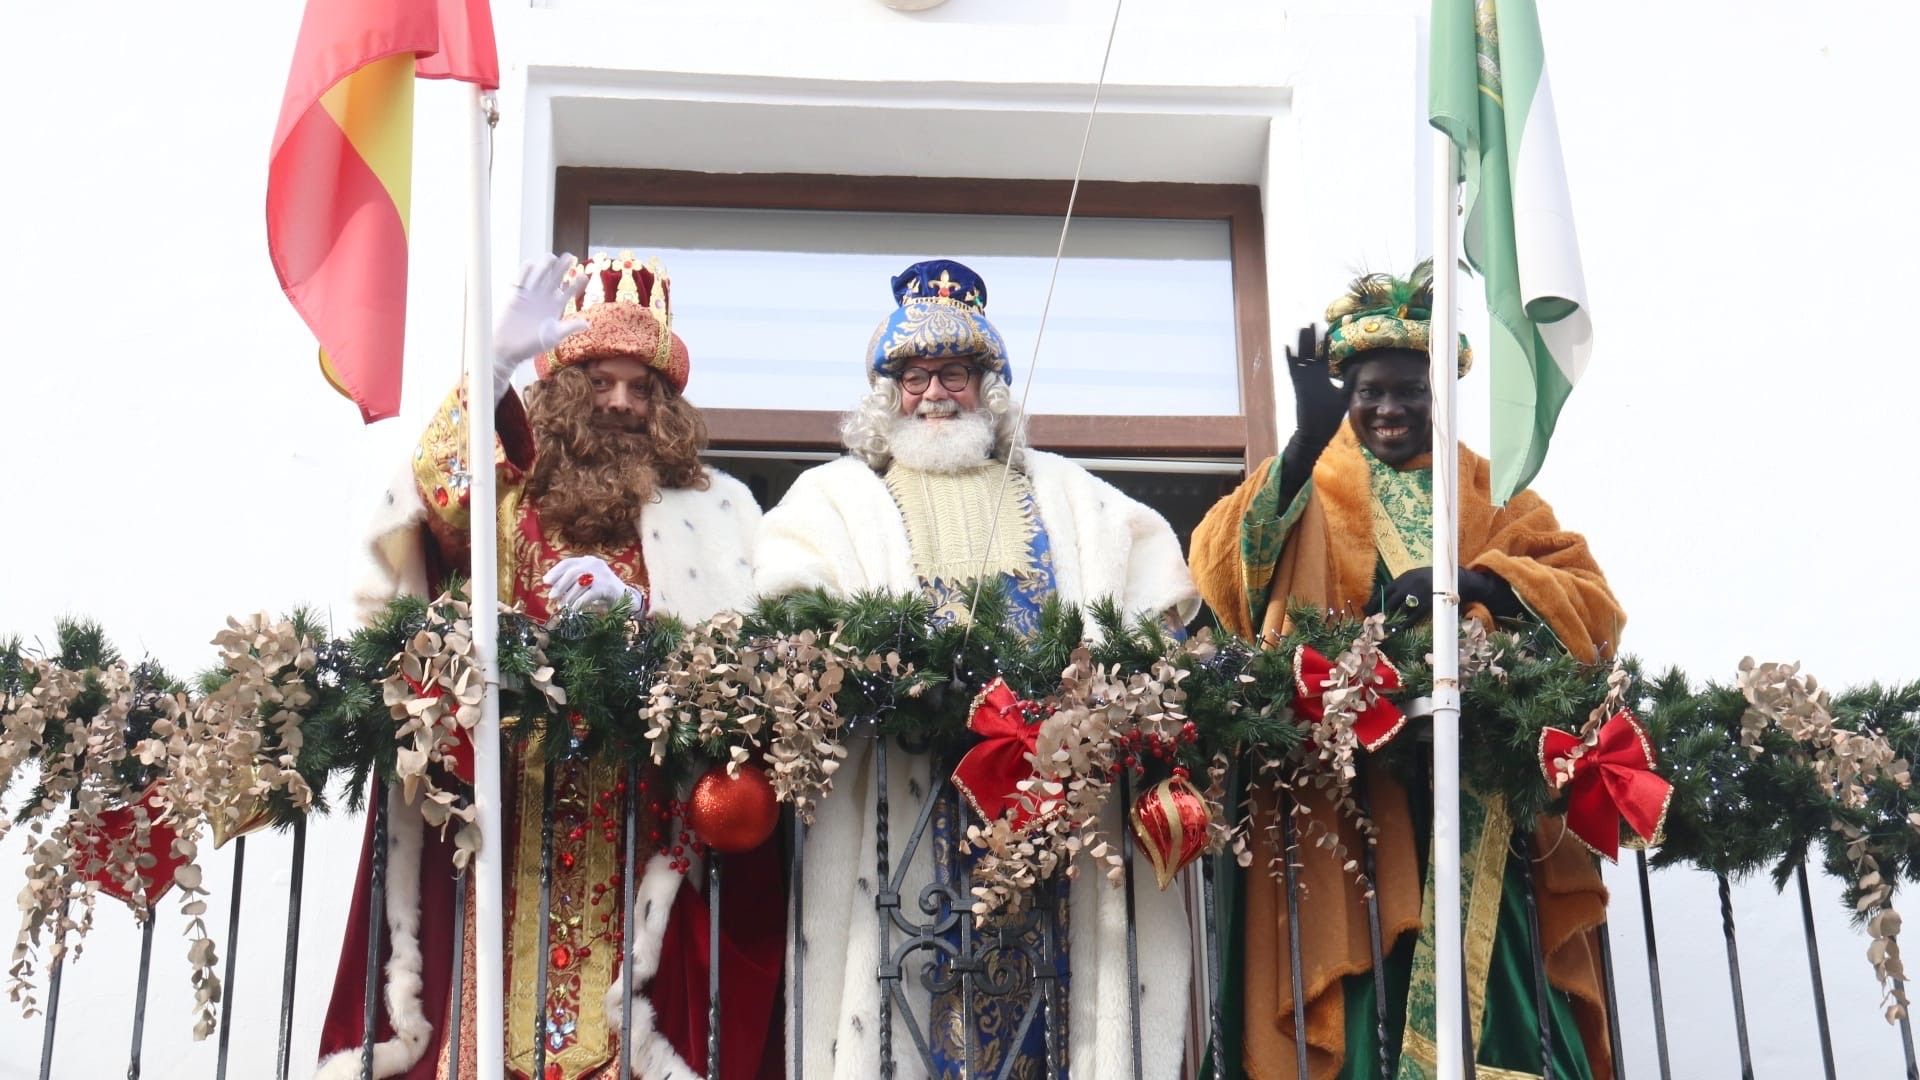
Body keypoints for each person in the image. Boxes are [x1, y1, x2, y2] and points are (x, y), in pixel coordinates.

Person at [317, 253, 782, 1080]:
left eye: (644, 389)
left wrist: (640, 618)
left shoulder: (713, 510)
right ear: (564, 384)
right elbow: (422, 512)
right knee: (489, 1022)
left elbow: (741, 661)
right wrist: (488, 368)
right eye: (601, 380)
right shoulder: (505, 490)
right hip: (506, 808)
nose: (621, 403)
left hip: (641, 815)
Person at [754, 259, 1201, 1079]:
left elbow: (1152, 603)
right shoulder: (830, 501)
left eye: (953, 373)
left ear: (986, 386)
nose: (934, 394)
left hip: (1060, 807)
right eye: (914, 376)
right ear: (887, 396)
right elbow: (791, 610)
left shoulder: (1073, 496)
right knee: (904, 1014)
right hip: (910, 807)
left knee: (1066, 1018)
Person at [1187, 262, 1627, 1080]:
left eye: (1410, 391)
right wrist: (1302, 443)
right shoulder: (1310, 483)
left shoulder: (1494, 494)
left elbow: (1591, 604)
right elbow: (1223, 574)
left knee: (1500, 989)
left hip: (1482, 793)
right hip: (1351, 794)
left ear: (1443, 396)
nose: (1389, 408)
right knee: (1367, 986)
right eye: (1368, 391)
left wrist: (1486, 584)